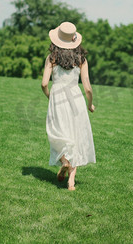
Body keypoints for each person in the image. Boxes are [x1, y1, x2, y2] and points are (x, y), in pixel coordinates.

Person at [41, 22, 96, 191]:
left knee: (58, 132)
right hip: (75, 97)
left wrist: (50, 96)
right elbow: (87, 87)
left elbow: (44, 83)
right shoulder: (81, 60)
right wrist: (90, 104)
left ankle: (64, 161)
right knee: (76, 135)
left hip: (58, 97)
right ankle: (71, 182)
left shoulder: (51, 58)